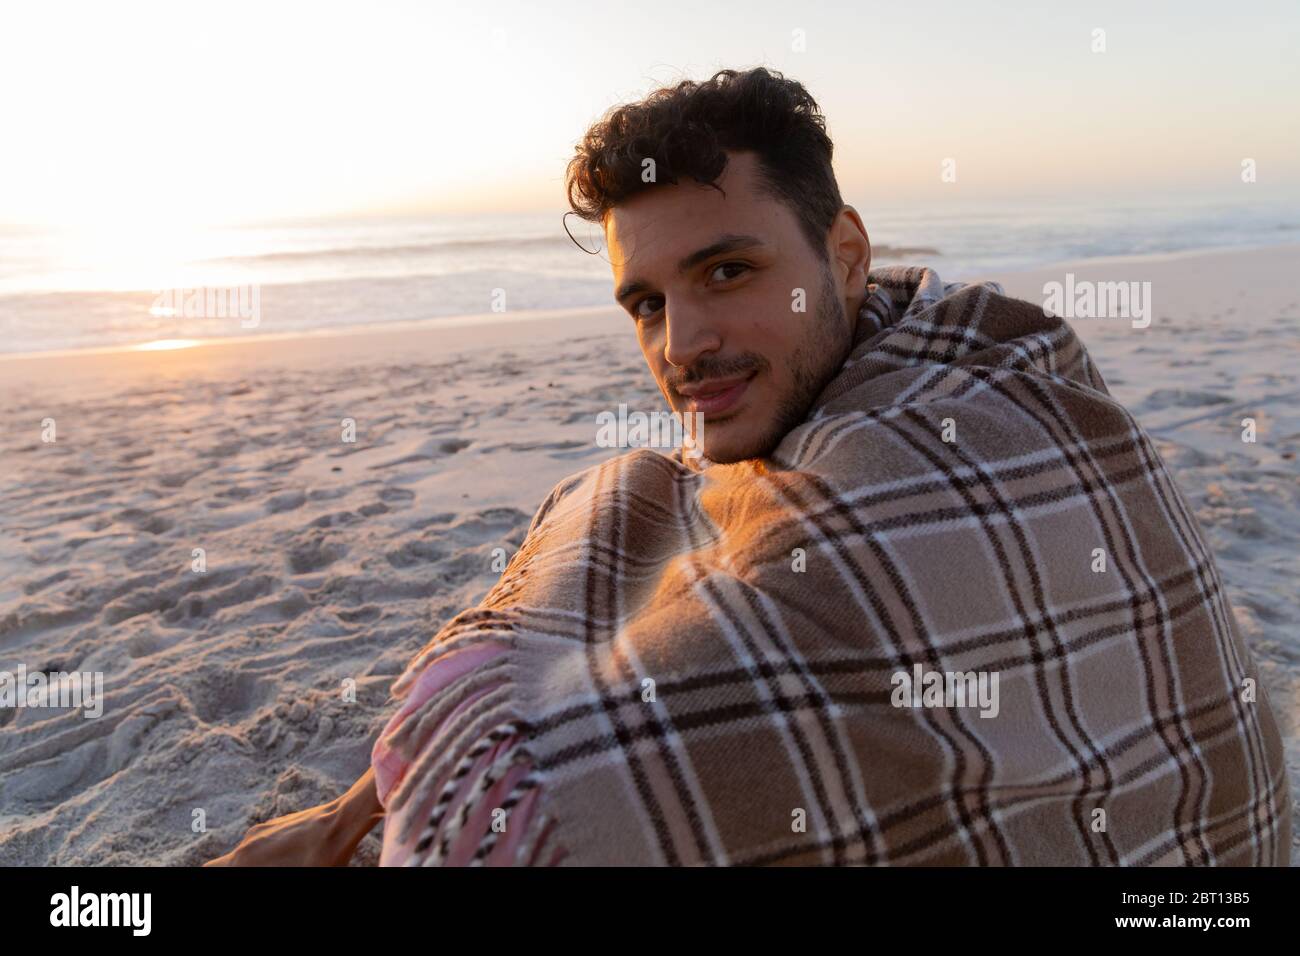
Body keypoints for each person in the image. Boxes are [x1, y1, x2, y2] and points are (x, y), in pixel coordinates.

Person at [207, 67, 1290, 867]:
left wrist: (377, 818)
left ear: (847, 255)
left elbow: (552, 790)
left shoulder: (986, 416)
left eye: (728, 270)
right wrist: (350, 814)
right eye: (647, 302)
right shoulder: (838, 413)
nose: (680, 343)